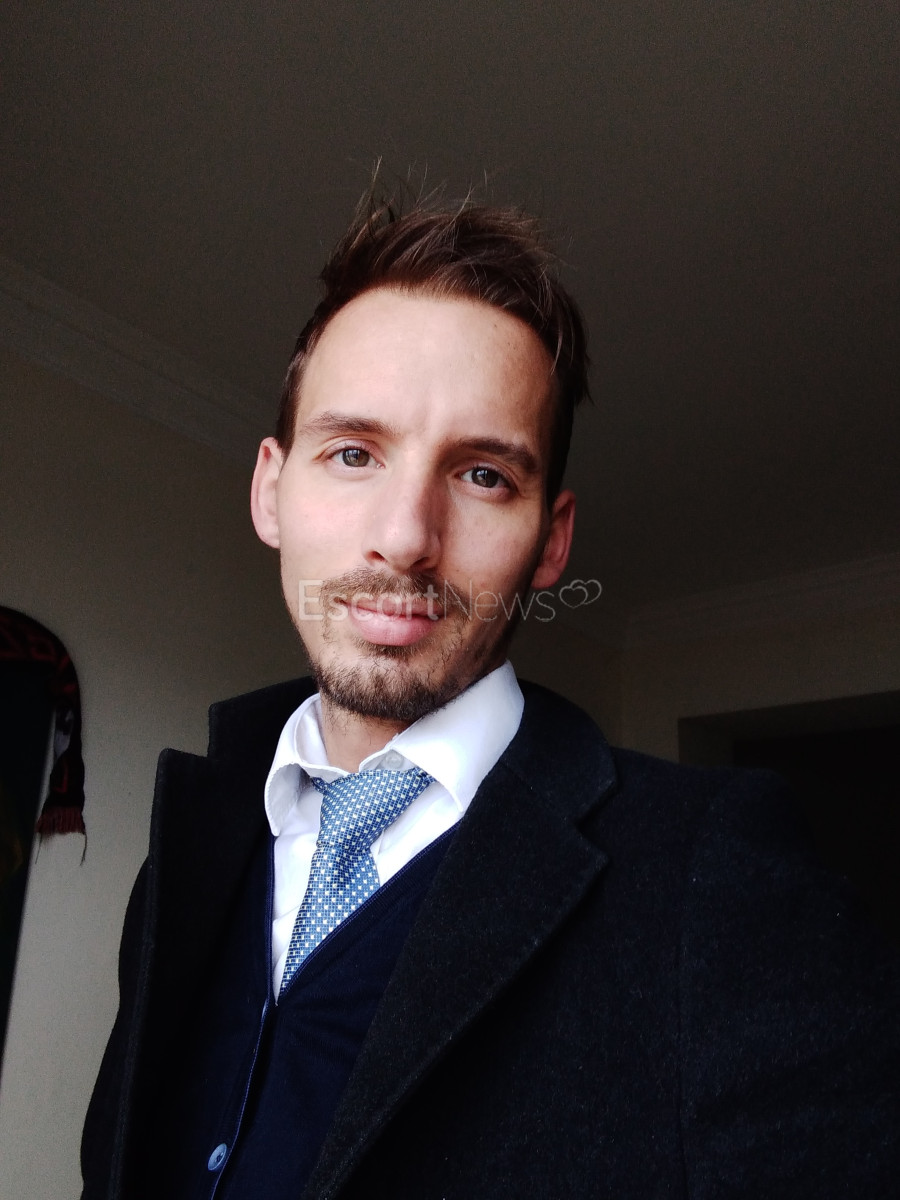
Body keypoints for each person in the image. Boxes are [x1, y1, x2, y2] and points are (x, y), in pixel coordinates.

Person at [81, 192, 900, 1200]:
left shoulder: (715, 873)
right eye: (353, 453)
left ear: (551, 540)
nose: (407, 537)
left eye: (481, 476)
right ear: (270, 489)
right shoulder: (189, 850)